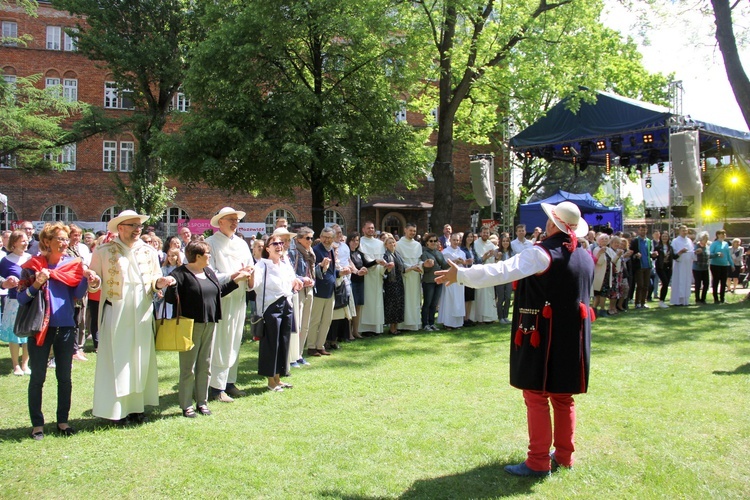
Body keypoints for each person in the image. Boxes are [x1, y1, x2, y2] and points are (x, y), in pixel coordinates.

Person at [435, 201, 594, 477]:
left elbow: (500, 271)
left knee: (536, 394)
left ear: (551, 224)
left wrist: (461, 274)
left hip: (544, 334)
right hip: (573, 335)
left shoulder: (541, 254)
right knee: (563, 396)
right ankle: (565, 456)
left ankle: (538, 460)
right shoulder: (583, 256)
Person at [90, 210, 175, 424]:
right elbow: (94, 283)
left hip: (142, 310)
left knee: (140, 358)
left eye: (140, 226)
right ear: (120, 228)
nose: (138, 230)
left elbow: (155, 278)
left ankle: (137, 408)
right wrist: (92, 281)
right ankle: (116, 410)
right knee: (117, 359)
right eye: (133, 226)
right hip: (116, 311)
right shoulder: (103, 250)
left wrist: (160, 283)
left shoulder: (148, 251)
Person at [19, 223, 95, 440]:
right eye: (59, 239)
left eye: (65, 239)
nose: (64, 243)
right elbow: (23, 298)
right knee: (38, 378)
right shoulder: (32, 267)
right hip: (40, 329)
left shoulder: (71, 265)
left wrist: (86, 279)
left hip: (65, 327)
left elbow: (77, 294)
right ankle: (37, 425)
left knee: (65, 377)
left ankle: (63, 421)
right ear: (46, 242)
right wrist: (37, 284)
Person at [165, 241, 249, 418]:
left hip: (210, 323)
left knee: (205, 365)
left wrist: (236, 281)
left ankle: (201, 403)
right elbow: (171, 300)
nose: (210, 256)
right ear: (197, 256)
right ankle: (186, 405)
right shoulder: (180, 274)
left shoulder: (209, 272)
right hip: (190, 326)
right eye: (207, 254)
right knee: (188, 368)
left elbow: (218, 293)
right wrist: (171, 286)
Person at [206, 207, 253, 402]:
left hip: (239, 299)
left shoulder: (242, 244)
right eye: (231, 219)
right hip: (222, 298)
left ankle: (229, 381)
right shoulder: (210, 243)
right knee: (220, 341)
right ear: (220, 222)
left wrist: (249, 276)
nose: (235, 223)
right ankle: (215, 386)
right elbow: (209, 273)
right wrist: (233, 276)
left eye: (237, 220)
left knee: (234, 339)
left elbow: (251, 265)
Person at [251, 235, 303, 391]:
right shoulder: (262, 265)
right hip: (270, 307)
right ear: (268, 248)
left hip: (286, 304)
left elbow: (291, 280)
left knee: (283, 341)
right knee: (271, 344)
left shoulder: (284, 263)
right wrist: (250, 275)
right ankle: (270, 381)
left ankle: (279, 378)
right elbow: (254, 285)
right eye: (275, 244)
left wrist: (297, 281)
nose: (279, 246)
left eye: (281, 243)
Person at [306, 227, 349, 355]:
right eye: (324, 237)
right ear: (320, 236)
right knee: (315, 320)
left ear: (333, 238)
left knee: (327, 320)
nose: (326, 240)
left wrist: (341, 272)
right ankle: (311, 347)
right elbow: (314, 271)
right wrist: (321, 266)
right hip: (319, 290)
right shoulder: (316, 251)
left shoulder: (331, 250)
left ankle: (320, 346)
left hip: (330, 290)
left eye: (329, 237)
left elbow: (331, 272)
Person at [0, 230, 32, 375]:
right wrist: (5, 283)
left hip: (30, 300)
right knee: (15, 334)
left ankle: (25, 364)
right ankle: (15, 365)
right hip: (14, 301)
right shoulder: (6, 261)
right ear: (14, 243)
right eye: (23, 240)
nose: (26, 243)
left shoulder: (31, 258)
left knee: (28, 333)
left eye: (27, 240)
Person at [287, 227, 316, 366]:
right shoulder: (293, 253)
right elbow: (290, 273)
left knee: (305, 324)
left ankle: (299, 354)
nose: (310, 241)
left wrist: (312, 279)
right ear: (298, 239)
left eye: (311, 238)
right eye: (307, 238)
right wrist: (303, 279)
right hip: (298, 290)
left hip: (309, 289)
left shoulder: (310, 252)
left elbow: (312, 271)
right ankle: (292, 356)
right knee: (296, 324)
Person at [358, 221, 385, 335]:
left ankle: (376, 328)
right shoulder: (360, 242)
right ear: (363, 229)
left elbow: (383, 257)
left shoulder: (379, 243)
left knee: (377, 301)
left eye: (372, 228)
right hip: (366, 275)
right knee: (366, 301)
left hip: (377, 275)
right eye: (368, 228)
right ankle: (364, 328)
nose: (371, 230)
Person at [395, 223, 423, 331]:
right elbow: (399, 261)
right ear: (405, 230)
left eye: (414, 231)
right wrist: (410, 267)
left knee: (415, 300)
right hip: (404, 275)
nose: (413, 233)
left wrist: (420, 266)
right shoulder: (398, 244)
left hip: (415, 276)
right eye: (411, 230)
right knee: (404, 299)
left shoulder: (417, 245)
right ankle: (403, 324)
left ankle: (414, 323)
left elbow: (419, 259)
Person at [421, 233, 448, 331]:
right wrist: (428, 264)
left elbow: (444, 265)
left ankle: (432, 323)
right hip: (428, 281)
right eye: (431, 241)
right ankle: (425, 324)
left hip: (438, 280)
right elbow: (425, 269)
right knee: (427, 303)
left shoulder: (439, 253)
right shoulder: (424, 253)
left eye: (435, 241)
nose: (433, 243)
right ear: (427, 243)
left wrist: (455, 263)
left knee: (434, 303)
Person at [437, 234, 465, 329]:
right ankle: (447, 323)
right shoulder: (445, 252)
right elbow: (445, 265)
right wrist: (455, 261)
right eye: (454, 240)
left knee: (459, 300)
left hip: (459, 279)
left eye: (457, 240)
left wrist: (463, 262)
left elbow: (464, 266)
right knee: (449, 300)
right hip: (449, 278)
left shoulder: (462, 253)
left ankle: (457, 323)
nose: (456, 242)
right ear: (450, 240)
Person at [471, 226, 498, 323]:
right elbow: (477, 259)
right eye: (484, 232)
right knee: (480, 296)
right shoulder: (475, 244)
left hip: (489, 273)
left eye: (487, 233)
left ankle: (489, 317)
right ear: (480, 233)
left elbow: (497, 256)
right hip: (479, 273)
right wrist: (485, 257)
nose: (486, 234)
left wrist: (496, 256)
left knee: (489, 295)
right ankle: (480, 318)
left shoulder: (491, 244)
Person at [347, 232, 369, 340]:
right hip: (352, 282)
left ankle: (355, 331)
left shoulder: (359, 253)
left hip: (360, 281)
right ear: (349, 241)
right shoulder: (347, 252)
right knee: (351, 307)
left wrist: (377, 261)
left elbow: (367, 264)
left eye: (357, 240)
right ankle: (349, 333)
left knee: (358, 306)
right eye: (353, 240)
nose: (355, 242)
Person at [629, 225, 656, 309]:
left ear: (646, 230)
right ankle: (637, 303)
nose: (643, 232)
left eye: (644, 230)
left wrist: (653, 255)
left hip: (647, 265)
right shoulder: (635, 241)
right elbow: (631, 253)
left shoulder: (648, 241)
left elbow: (649, 253)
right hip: (639, 266)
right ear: (638, 231)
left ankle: (643, 302)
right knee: (640, 285)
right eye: (641, 230)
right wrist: (635, 255)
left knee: (646, 285)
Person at [383, 236, 405, 334]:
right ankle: (392, 328)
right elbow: (384, 271)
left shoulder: (397, 254)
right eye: (390, 243)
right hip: (390, 283)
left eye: (393, 242)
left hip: (399, 281)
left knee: (399, 304)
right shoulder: (385, 255)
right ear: (386, 245)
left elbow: (402, 269)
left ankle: (396, 326)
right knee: (392, 305)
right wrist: (388, 268)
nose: (392, 244)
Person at [670, 225, 694, 306]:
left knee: (687, 281)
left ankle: (685, 300)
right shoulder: (675, 241)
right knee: (679, 281)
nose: (684, 232)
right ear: (679, 231)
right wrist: (681, 251)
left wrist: (695, 253)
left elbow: (691, 251)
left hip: (687, 264)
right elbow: (673, 253)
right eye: (683, 230)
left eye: (686, 230)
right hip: (679, 264)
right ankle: (677, 301)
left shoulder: (689, 240)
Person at [709, 229, 733, 304]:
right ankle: (716, 299)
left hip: (724, 265)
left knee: (723, 282)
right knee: (716, 281)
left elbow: (728, 255)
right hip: (715, 265)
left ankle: (722, 298)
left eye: (724, 234)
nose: (723, 235)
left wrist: (732, 264)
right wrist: (717, 254)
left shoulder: (726, 244)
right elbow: (710, 254)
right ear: (717, 235)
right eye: (721, 234)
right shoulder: (714, 244)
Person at [495, 233, 514, 324]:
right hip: (500, 278)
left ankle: (506, 316)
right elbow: (495, 264)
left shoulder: (512, 252)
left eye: (507, 241)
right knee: (500, 297)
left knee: (508, 297)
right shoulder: (497, 251)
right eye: (503, 241)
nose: (505, 243)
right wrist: (498, 258)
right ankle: (500, 317)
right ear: (500, 242)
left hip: (509, 277)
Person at [654, 231, 673, 308]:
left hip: (668, 267)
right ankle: (661, 301)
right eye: (663, 237)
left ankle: (662, 300)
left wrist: (681, 252)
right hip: (660, 267)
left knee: (666, 284)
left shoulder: (670, 247)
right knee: (664, 282)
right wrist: (654, 255)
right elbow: (654, 256)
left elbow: (674, 256)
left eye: (666, 236)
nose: (664, 238)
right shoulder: (658, 247)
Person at [692, 231, 710, 304]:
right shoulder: (696, 246)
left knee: (706, 284)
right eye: (704, 238)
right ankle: (697, 299)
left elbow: (709, 256)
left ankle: (703, 299)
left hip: (705, 268)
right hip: (697, 268)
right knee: (698, 284)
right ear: (700, 239)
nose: (705, 240)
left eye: (706, 238)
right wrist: (696, 252)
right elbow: (693, 253)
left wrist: (716, 255)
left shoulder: (707, 246)